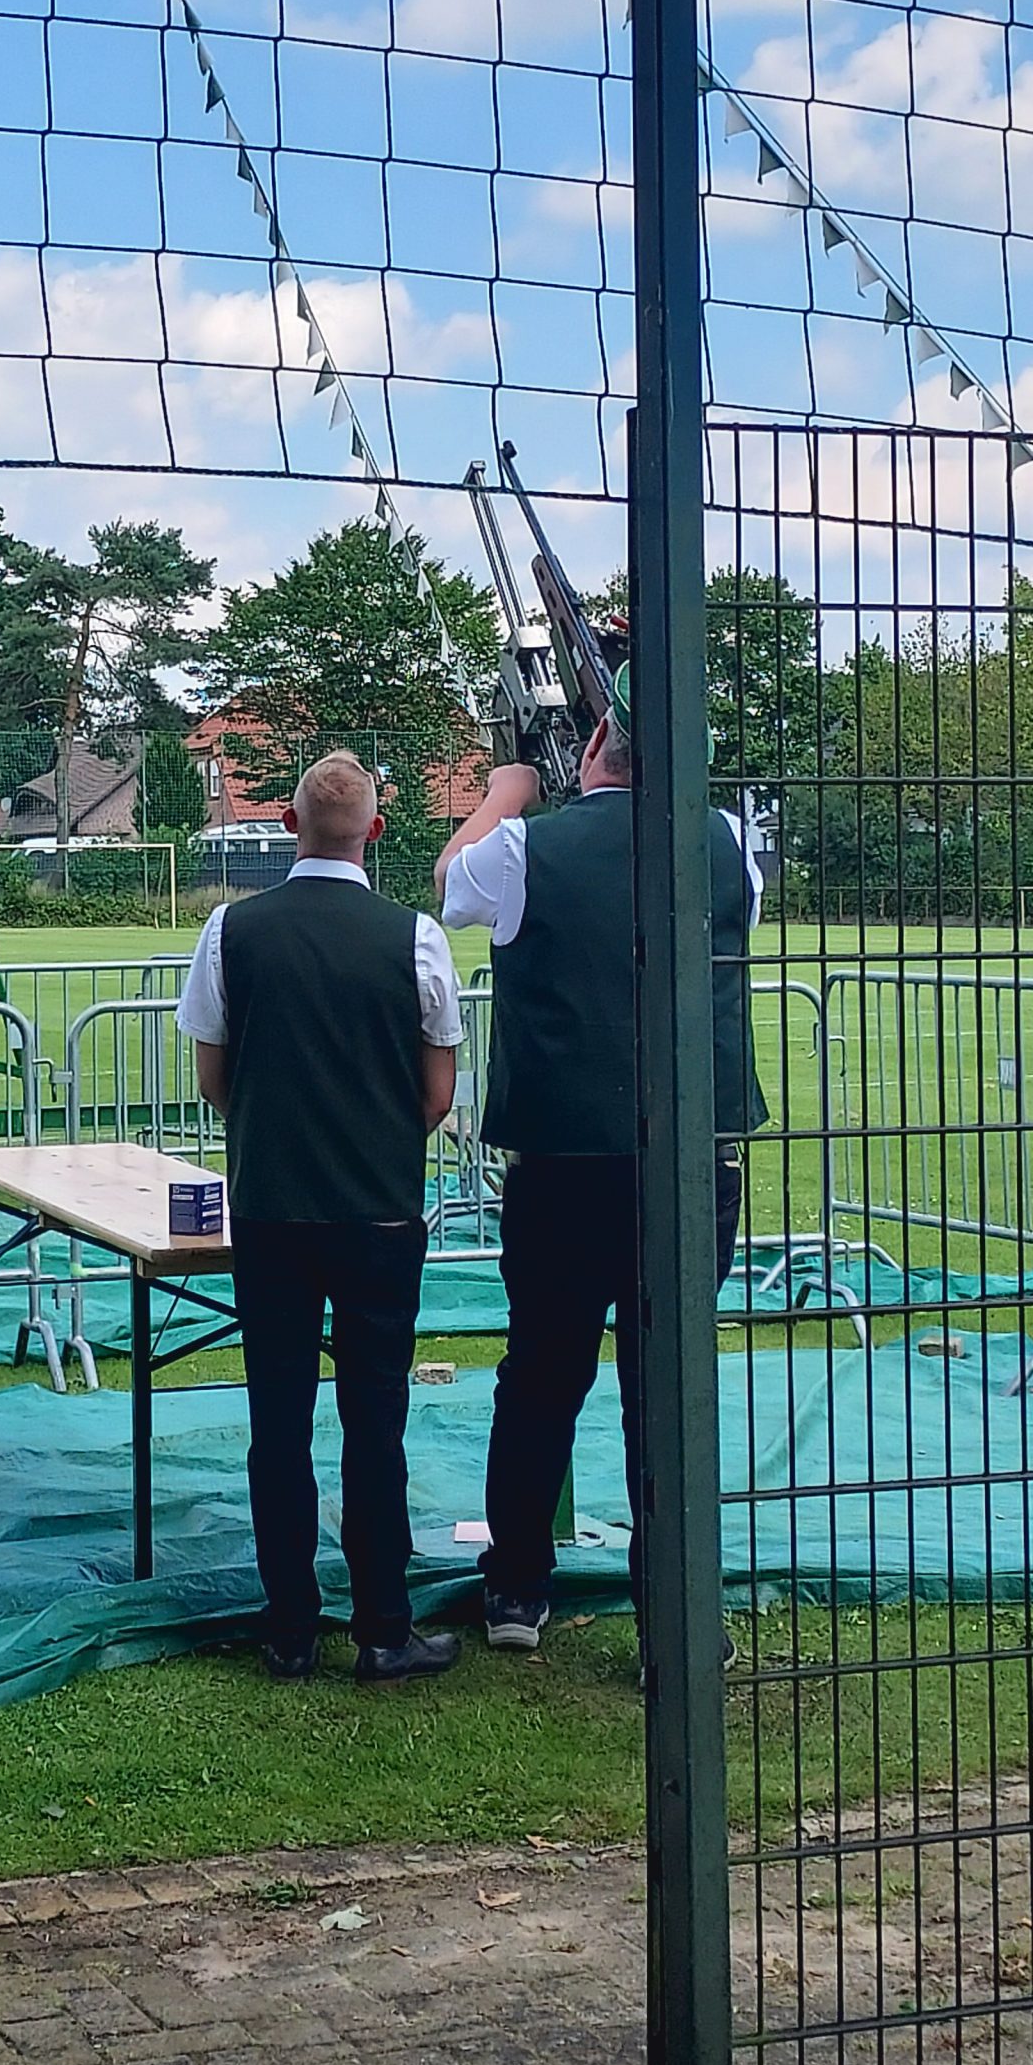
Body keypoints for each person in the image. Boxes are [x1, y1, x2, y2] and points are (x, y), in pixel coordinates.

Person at [434, 667, 765, 1668]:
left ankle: (517, 1585)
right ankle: (676, 1605)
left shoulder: (525, 845)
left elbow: (449, 884)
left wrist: (507, 789)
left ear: (594, 747)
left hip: (565, 1166)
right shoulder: (729, 843)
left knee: (541, 1376)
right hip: (693, 1164)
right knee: (666, 1386)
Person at [177, 749, 465, 1684]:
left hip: (272, 1209)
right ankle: (383, 1627)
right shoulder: (416, 937)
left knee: (278, 1421)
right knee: (375, 1422)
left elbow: (215, 1077)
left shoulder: (230, 930)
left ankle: (290, 1628)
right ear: (375, 831)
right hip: (379, 1211)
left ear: (288, 825)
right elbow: (435, 1095)